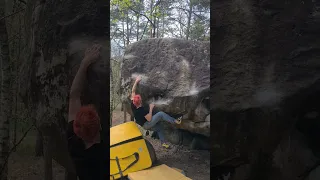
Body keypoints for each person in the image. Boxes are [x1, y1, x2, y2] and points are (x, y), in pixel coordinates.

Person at [67, 44, 107, 180]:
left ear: (76, 128)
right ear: (100, 126)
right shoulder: (103, 156)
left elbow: (74, 95)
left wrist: (84, 63)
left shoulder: (75, 145)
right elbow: (75, 95)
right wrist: (86, 62)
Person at [130, 76, 182, 149]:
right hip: (147, 124)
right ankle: (175, 121)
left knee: (159, 128)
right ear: (140, 102)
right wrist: (151, 108)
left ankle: (163, 143)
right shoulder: (142, 110)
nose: (141, 98)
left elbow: (133, 91)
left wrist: (136, 81)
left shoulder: (133, 104)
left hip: (143, 124)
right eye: (140, 98)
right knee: (160, 114)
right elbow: (149, 119)